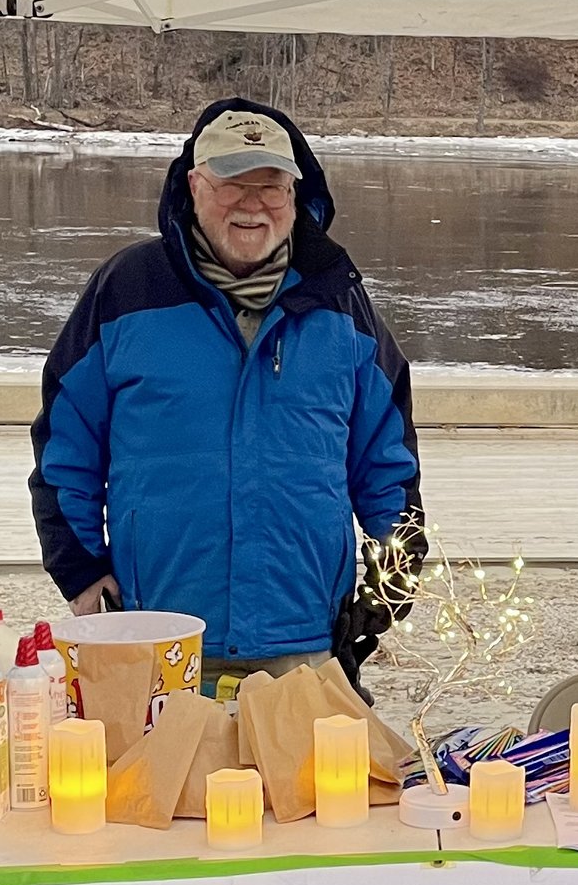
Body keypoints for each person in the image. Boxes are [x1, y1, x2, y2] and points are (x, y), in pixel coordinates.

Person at [31, 99, 423, 682]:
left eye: (270, 186)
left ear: (295, 195)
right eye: (231, 184)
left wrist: (394, 579)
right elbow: (67, 448)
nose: (251, 204)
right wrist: (82, 570)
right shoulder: (127, 289)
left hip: (308, 640)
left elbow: (386, 461)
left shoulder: (339, 302)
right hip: (156, 632)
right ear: (194, 185)